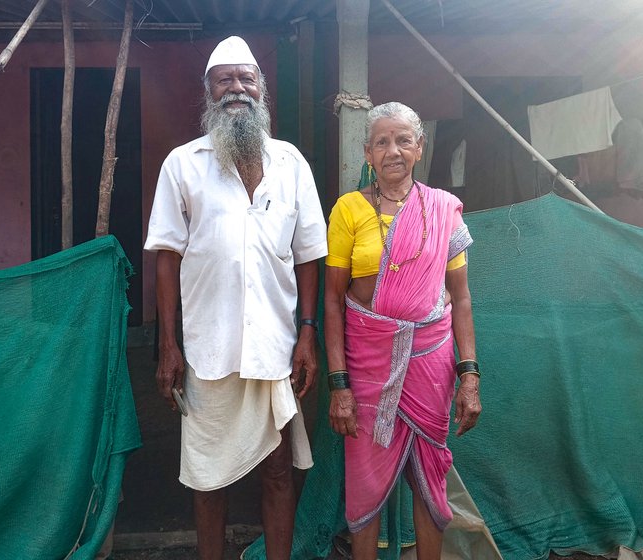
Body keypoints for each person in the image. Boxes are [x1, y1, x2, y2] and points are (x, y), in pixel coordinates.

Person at [144, 36, 328, 560]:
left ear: (261, 90)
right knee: (208, 479)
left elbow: (309, 254)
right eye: (224, 80)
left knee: (277, 472)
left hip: (275, 347)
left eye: (246, 79)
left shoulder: (291, 163)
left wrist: (308, 335)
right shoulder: (183, 164)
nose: (236, 90)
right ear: (208, 90)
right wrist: (168, 345)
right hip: (208, 349)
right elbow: (166, 256)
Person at [324, 101, 482, 560]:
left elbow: (462, 297)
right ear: (367, 152)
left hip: (431, 362)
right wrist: (339, 385)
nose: (393, 150)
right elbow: (333, 300)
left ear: (419, 147)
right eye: (382, 142)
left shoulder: (442, 210)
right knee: (365, 476)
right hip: (366, 362)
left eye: (403, 140)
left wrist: (469, 375)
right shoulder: (348, 209)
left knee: (428, 474)